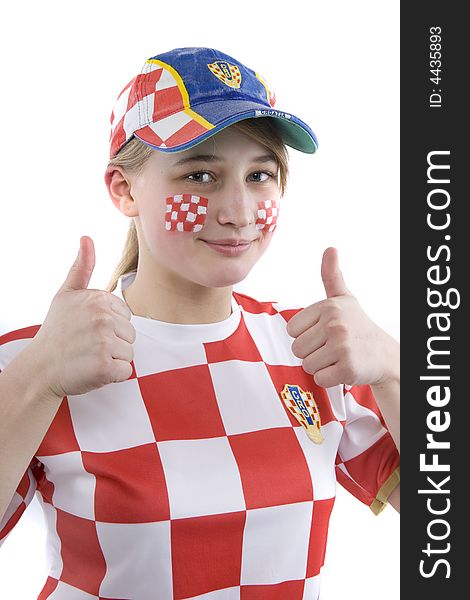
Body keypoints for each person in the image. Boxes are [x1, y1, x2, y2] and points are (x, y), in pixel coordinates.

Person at [0, 47, 400, 599]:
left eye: (260, 174)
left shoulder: (314, 350)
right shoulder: (38, 357)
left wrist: (396, 369)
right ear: (123, 189)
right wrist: (36, 379)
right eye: (202, 174)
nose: (237, 211)